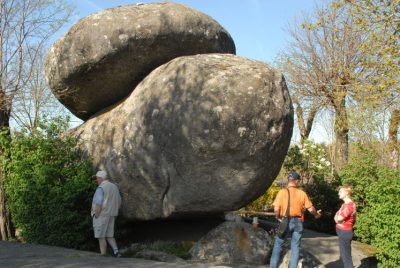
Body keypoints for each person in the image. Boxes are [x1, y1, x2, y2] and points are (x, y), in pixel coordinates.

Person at [269, 171, 321, 268]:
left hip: (285, 221)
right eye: (299, 181)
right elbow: (311, 209)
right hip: (298, 222)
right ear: (296, 181)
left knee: (278, 246)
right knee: (295, 248)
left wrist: (278, 217)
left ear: (289, 180)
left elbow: (276, 209)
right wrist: (317, 214)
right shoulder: (302, 193)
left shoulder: (282, 192)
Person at [91, 170, 122, 257]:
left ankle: (103, 255)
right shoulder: (114, 187)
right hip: (112, 215)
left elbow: (98, 203)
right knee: (110, 235)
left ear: (100, 178)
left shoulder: (101, 188)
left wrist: (96, 215)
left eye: (97, 179)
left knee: (101, 236)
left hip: (102, 215)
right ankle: (116, 252)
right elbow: (119, 201)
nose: (96, 180)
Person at [334, 185, 356, 268]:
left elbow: (338, 218)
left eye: (340, 192)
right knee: (345, 255)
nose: (338, 193)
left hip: (344, 232)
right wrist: (337, 215)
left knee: (346, 257)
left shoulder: (348, 206)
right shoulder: (347, 204)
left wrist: (336, 217)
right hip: (344, 232)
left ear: (346, 193)